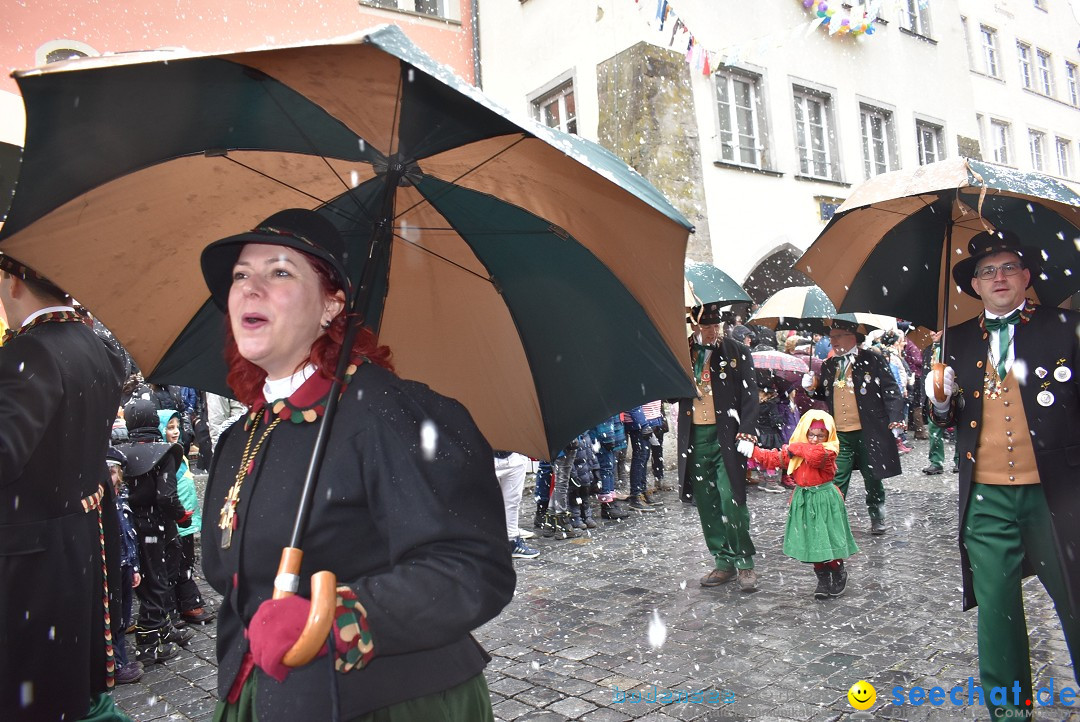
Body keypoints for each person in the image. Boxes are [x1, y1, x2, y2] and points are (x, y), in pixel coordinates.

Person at [199, 208, 515, 720]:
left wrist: (331, 617)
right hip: (262, 696)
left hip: (385, 702)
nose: (249, 289)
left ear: (331, 305)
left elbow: (471, 569)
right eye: (240, 275)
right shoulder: (243, 435)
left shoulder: (388, 413)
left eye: (279, 272)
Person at [926, 229, 1080, 721]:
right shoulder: (957, 339)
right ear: (974, 284)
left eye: (1008, 267)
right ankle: (1011, 715)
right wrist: (940, 399)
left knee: (1076, 603)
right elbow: (946, 420)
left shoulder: (1065, 327)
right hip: (986, 500)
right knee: (998, 615)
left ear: (1026, 277)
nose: (998, 277)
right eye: (987, 271)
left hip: (1057, 495)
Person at [0, 255, 128, 721]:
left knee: (32, 703)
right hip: (80, 548)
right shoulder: (95, 345)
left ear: (14, 282)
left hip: (32, 565)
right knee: (67, 697)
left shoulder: (30, 350)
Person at [678, 302, 761, 592]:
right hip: (696, 437)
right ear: (695, 327)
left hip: (728, 435)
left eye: (717, 326)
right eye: (707, 327)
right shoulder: (681, 352)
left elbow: (751, 395)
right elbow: (670, 395)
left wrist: (747, 431)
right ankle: (723, 560)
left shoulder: (737, 350)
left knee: (732, 500)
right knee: (708, 503)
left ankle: (745, 562)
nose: (714, 332)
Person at [741, 410, 858, 599]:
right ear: (805, 432)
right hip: (804, 500)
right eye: (811, 434)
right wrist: (753, 451)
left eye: (821, 435)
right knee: (812, 539)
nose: (815, 439)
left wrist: (796, 447)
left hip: (824, 500)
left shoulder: (829, 450)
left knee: (827, 538)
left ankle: (837, 571)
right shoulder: (796, 451)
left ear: (828, 436)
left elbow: (816, 457)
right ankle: (822, 578)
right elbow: (775, 458)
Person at [804, 320, 905, 535]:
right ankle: (832, 519)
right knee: (835, 479)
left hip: (869, 431)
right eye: (831, 337)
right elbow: (825, 394)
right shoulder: (829, 365)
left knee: (873, 478)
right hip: (840, 433)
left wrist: (896, 419)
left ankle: (877, 516)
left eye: (838, 336)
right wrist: (811, 388)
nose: (833, 341)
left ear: (852, 336)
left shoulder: (872, 359)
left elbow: (890, 389)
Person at [115, 398, 194, 663]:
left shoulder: (120, 452)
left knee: (147, 578)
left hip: (131, 524)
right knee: (159, 579)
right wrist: (182, 517)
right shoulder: (164, 451)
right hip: (158, 524)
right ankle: (149, 642)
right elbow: (166, 497)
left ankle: (162, 627)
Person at [158, 409, 216, 625]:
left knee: (187, 563)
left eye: (177, 427)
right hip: (175, 522)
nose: (175, 431)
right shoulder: (164, 457)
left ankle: (187, 603)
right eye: (169, 427)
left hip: (187, 523)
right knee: (175, 565)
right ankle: (179, 605)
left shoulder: (178, 453)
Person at [106, 447, 145, 685]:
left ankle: (121, 659)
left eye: (113, 472)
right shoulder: (102, 504)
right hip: (110, 567)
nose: (111, 478)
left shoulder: (122, 498)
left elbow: (130, 535)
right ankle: (116, 664)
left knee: (122, 616)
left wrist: (134, 566)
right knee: (113, 616)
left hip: (124, 565)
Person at [920, 330, 958, 475]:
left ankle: (959, 460)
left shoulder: (953, 347)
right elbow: (924, 374)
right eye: (932, 331)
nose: (933, 333)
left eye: (937, 331)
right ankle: (936, 462)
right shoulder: (928, 350)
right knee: (934, 429)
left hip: (953, 393)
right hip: (933, 395)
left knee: (958, 429)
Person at [494, 451, 540, 559]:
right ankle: (503, 535)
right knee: (489, 503)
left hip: (513, 456)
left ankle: (511, 536)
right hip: (487, 455)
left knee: (512, 502)